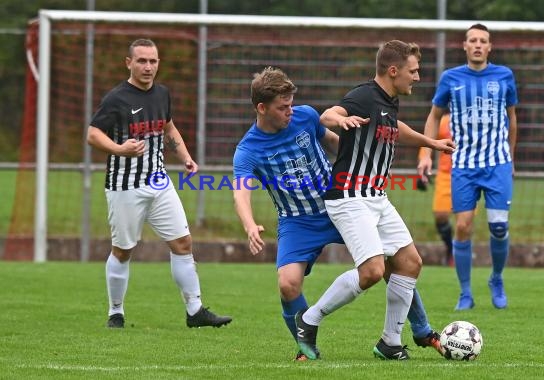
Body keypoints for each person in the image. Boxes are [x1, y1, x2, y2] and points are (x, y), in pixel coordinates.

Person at [233, 66, 448, 361]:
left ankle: (421, 328)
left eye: (291, 104)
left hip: (339, 203)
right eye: (283, 108)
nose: (290, 112)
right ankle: (305, 346)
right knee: (287, 284)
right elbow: (240, 191)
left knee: (390, 260)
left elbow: (337, 144)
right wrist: (249, 225)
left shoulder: (305, 116)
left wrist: (358, 164)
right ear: (261, 108)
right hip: (298, 221)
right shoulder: (247, 150)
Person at [295, 41, 455, 360]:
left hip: (376, 197)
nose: (418, 77)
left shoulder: (389, 101)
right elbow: (330, 114)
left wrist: (432, 143)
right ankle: (308, 320)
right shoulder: (364, 96)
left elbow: (395, 129)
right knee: (371, 271)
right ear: (393, 71)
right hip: (349, 197)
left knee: (410, 263)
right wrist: (339, 120)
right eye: (413, 71)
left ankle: (390, 343)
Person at [87, 38, 232, 329]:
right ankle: (116, 312)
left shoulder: (162, 94)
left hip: (159, 181)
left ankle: (195, 311)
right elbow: (93, 134)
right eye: (141, 60)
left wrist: (185, 156)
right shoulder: (116, 99)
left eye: (153, 61)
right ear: (129, 63)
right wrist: (120, 149)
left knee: (183, 242)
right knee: (123, 250)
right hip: (125, 186)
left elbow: (168, 126)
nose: (148, 67)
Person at [417, 23, 518, 311]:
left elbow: (512, 119)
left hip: (497, 163)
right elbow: (434, 117)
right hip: (463, 165)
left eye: (482, 41)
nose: (477, 45)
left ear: (489, 47)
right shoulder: (451, 78)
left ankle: (496, 279)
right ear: (464, 46)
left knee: (499, 226)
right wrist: (426, 153)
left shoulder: (504, 76)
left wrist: (511, 156)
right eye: (472, 40)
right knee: (462, 226)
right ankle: (465, 293)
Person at [418, 113, 454, 267]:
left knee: (464, 222)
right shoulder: (444, 121)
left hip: (469, 173)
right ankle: (450, 248)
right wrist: (424, 161)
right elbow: (427, 141)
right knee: (440, 216)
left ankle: (459, 255)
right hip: (445, 175)